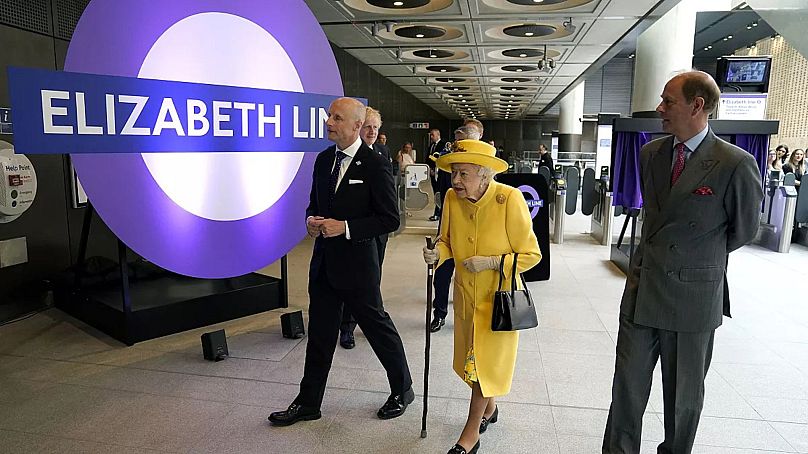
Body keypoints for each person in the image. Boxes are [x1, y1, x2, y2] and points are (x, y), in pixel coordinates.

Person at [602, 71, 763, 453]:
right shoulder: (651, 153)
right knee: (626, 389)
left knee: (683, 399)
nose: (660, 109)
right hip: (644, 289)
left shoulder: (735, 163)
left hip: (693, 298)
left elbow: (742, 231)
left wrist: (695, 261)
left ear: (697, 105)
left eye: (668, 101)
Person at [268, 97, 414, 427]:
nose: (329, 122)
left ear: (356, 126)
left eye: (337, 117)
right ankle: (308, 403)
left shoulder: (375, 164)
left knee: (377, 329)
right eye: (329, 116)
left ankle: (402, 390)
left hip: (359, 267)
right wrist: (311, 221)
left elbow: (390, 219)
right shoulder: (322, 161)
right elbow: (313, 204)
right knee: (319, 334)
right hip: (324, 265)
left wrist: (345, 228)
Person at [422, 140, 542, 454]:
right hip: (466, 298)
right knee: (472, 366)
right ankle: (490, 409)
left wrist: (492, 262)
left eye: (463, 173)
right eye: (453, 173)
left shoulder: (509, 199)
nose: (456, 181)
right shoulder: (451, 198)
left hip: (498, 302)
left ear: (484, 175)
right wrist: (436, 253)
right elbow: (446, 240)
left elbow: (531, 254)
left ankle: (470, 434)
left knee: (482, 369)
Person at [339, 106, 393, 349]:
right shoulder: (344, 158)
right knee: (352, 281)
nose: (372, 131)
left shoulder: (382, 153)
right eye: (368, 127)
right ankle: (347, 327)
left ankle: (370, 321)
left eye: (376, 128)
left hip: (378, 233)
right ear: (358, 127)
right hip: (353, 235)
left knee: (372, 280)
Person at [430, 119, 484, 333]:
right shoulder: (449, 162)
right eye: (458, 143)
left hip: (478, 232)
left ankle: (474, 316)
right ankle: (439, 313)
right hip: (451, 225)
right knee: (442, 273)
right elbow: (445, 188)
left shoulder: (486, 166)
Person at [428, 128, 448, 221]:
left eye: (433, 135)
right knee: (435, 192)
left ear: (438, 135)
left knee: (439, 192)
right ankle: (437, 212)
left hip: (440, 173)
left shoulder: (444, 145)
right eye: (431, 135)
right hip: (432, 173)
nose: (431, 137)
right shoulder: (431, 146)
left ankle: (438, 213)